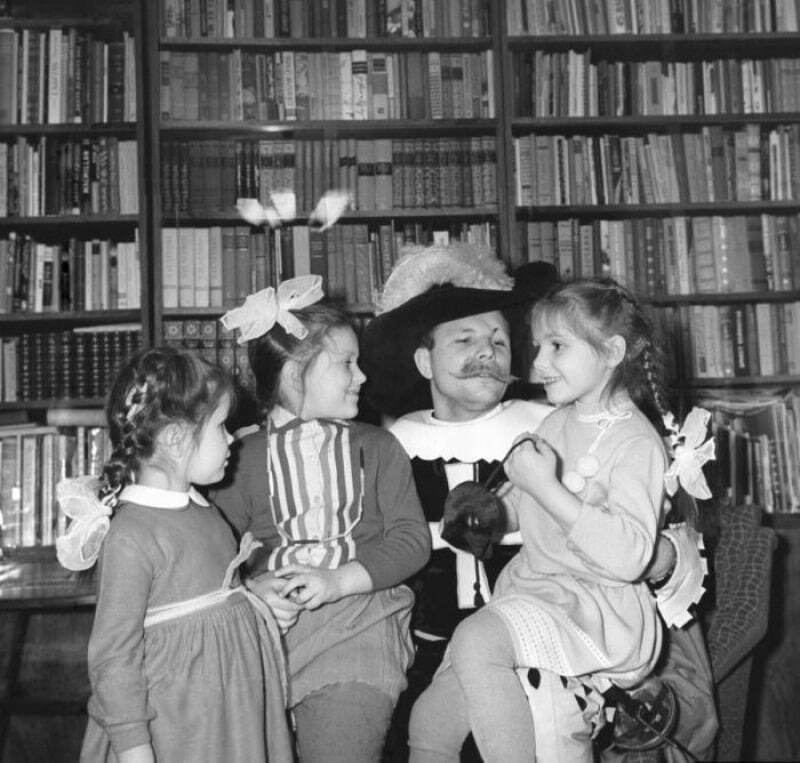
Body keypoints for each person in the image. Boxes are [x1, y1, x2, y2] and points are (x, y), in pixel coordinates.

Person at [407, 276, 712, 762]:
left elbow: (629, 556)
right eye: (537, 347)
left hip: (593, 608)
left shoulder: (635, 442)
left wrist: (546, 485)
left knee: (476, 640)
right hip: (536, 589)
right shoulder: (556, 421)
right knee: (430, 720)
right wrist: (489, 515)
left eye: (556, 347)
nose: (538, 364)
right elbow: (530, 513)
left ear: (611, 352)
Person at [361, 244, 606, 762]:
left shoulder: (545, 428)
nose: (487, 351)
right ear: (424, 360)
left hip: (531, 643)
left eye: (498, 339)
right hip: (424, 650)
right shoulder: (396, 444)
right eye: (465, 339)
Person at [208, 275, 431, 763]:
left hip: (359, 624)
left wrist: (338, 581)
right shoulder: (239, 456)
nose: (362, 377)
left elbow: (412, 540)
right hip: (266, 637)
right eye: (347, 364)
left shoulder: (377, 446)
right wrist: (253, 592)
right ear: (294, 373)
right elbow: (213, 555)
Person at [55, 346, 293, 763]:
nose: (231, 439)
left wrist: (254, 595)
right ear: (175, 440)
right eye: (221, 427)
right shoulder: (132, 535)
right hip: (179, 728)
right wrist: (135, 752)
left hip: (227, 713)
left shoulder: (203, 509)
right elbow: (114, 657)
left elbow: (206, 598)